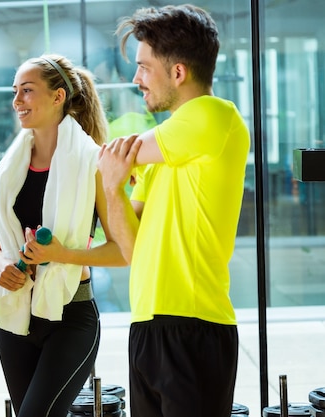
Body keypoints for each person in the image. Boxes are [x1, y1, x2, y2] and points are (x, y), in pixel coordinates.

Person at [97, 5, 250, 417]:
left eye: (145, 67)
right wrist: (112, 188)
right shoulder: (159, 155)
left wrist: (110, 165)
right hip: (148, 323)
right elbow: (131, 249)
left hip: (195, 324)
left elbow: (115, 153)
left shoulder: (214, 115)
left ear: (178, 73)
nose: (136, 80)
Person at [0, 54, 127, 417]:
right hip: (16, 318)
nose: (17, 100)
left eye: (28, 90)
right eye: (15, 91)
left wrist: (63, 254)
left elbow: (122, 252)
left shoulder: (94, 164)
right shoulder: (10, 169)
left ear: (58, 97)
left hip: (71, 318)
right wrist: (2, 265)